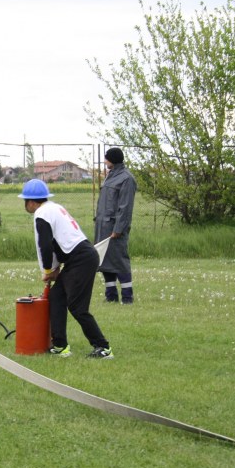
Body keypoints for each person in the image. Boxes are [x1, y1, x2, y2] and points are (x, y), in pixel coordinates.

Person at [19, 179, 114, 359]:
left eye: (25, 201)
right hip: (80, 256)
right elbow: (57, 242)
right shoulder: (53, 207)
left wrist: (47, 270)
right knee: (56, 297)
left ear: (30, 202)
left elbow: (45, 246)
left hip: (81, 259)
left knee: (77, 307)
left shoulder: (41, 214)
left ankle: (103, 347)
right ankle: (60, 346)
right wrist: (54, 268)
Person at [95, 147, 137, 304]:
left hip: (114, 229)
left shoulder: (126, 178)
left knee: (120, 261)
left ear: (112, 159)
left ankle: (127, 297)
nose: (105, 161)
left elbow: (125, 207)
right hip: (103, 227)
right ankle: (111, 295)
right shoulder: (110, 176)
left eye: (106, 158)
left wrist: (118, 229)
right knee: (105, 261)